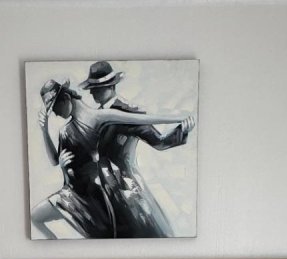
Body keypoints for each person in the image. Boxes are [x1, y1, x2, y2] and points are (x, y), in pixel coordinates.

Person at [30, 62, 195, 239]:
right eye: (91, 88)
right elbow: (66, 159)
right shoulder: (81, 122)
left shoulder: (121, 112)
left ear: (110, 86)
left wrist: (182, 128)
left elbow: (158, 138)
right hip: (92, 191)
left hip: (122, 189)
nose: (91, 93)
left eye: (96, 88)